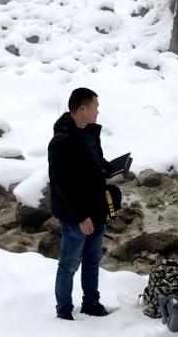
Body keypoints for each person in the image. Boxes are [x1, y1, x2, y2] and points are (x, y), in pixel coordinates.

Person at [48, 87, 110, 320]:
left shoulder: (89, 133)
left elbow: (95, 162)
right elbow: (63, 186)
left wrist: (109, 167)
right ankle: (64, 312)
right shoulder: (61, 142)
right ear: (82, 108)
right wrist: (81, 216)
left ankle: (91, 303)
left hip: (96, 209)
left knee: (92, 261)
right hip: (77, 216)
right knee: (69, 264)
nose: (97, 112)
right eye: (95, 107)